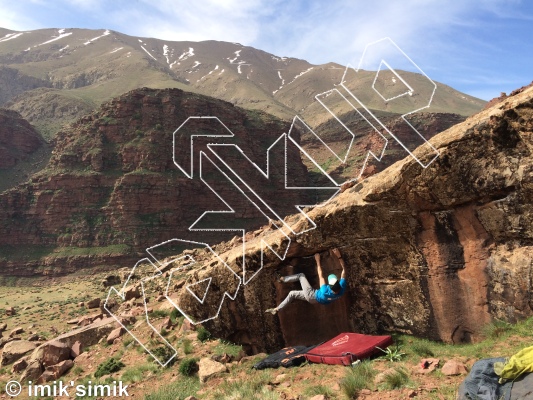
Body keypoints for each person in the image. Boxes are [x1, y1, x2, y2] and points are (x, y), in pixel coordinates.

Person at [265, 248, 347, 315]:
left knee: (301, 276)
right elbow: (344, 271)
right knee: (292, 294)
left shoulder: (325, 291)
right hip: (315, 300)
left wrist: (317, 260)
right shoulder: (341, 289)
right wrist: (339, 256)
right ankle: (277, 309)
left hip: (312, 295)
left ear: (331, 286)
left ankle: (282, 279)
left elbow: (320, 275)